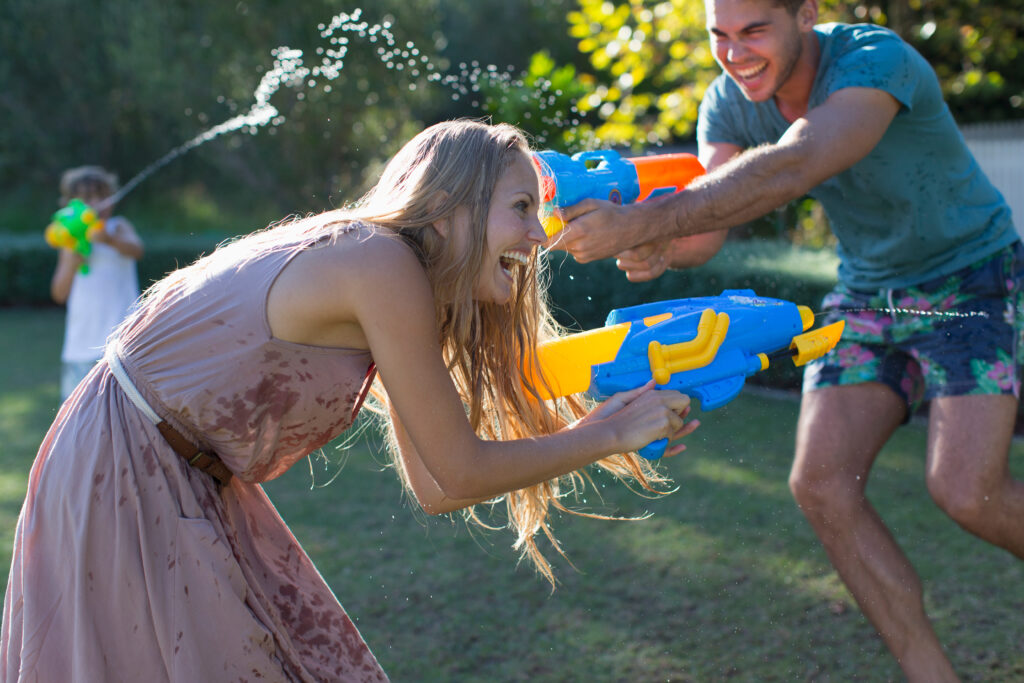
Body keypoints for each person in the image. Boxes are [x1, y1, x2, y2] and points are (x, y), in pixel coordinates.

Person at [1, 120, 698, 682]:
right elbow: (458, 470)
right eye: (521, 208)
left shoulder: (392, 273)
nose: (539, 236)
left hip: (172, 473)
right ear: (451, 206)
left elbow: (435, 485)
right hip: (124, 472)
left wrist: (601, 420)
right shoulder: (379, 261)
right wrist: (604, 434)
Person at [549, 1, 1022, 680]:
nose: (734, 53)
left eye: (753, 32)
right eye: (719, 36)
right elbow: (705, 226)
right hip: (868, 293)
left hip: (970, 278)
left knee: (965, 489)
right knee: (821, 484)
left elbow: (795, 165)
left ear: (806, 15)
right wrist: (654, 240)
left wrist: (640, 221)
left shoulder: (873, 63)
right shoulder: (730, 100)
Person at [49, 166, 144, 401]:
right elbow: (59, 294)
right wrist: (71, 262)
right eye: (83, 199)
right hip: (80, 346)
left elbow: (136, 250)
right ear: (68, 205)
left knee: (125, 409)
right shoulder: (69, 243)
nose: (92, 205)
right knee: (79, 417)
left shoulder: (118, 227)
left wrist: (109, 239)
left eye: (98, 197)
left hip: (123, 344)